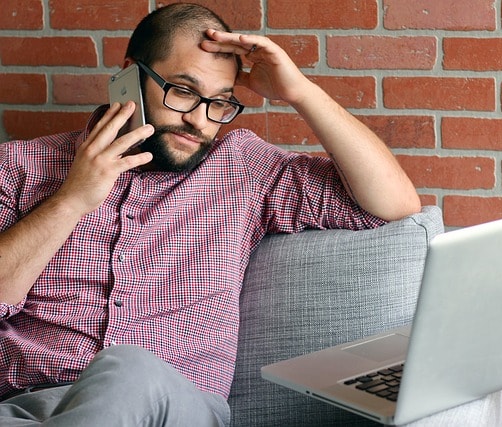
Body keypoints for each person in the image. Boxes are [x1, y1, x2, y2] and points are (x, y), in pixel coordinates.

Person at [0, 3, 420, 426]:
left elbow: (394, 203)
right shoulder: (20, 166)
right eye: (182, 91)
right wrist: (71, 200)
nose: (199, 121)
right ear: (130, 75)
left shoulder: (243, 170)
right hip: (23, 409)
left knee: (127, 369)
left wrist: (300, 92)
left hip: (172, 408)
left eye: (219, 103)